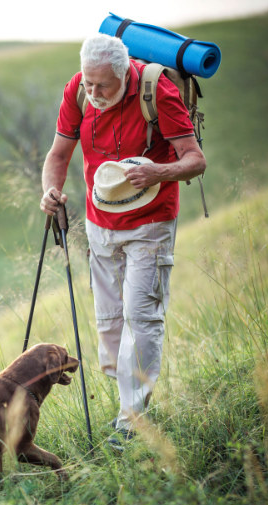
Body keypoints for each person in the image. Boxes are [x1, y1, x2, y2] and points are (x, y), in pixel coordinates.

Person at [39, 33, 206, 450]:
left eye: (102, 86)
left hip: (150, 222)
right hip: (101, 223)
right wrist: (50, 191)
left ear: (125, 75)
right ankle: (128, 402)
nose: (92, 93)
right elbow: (58, 156)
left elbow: (194, 160)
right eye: (88, 84)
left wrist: (157, 172)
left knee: (141, 315)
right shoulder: (77, 91)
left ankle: (132, 420)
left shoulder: (156, 91)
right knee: (110, 321)